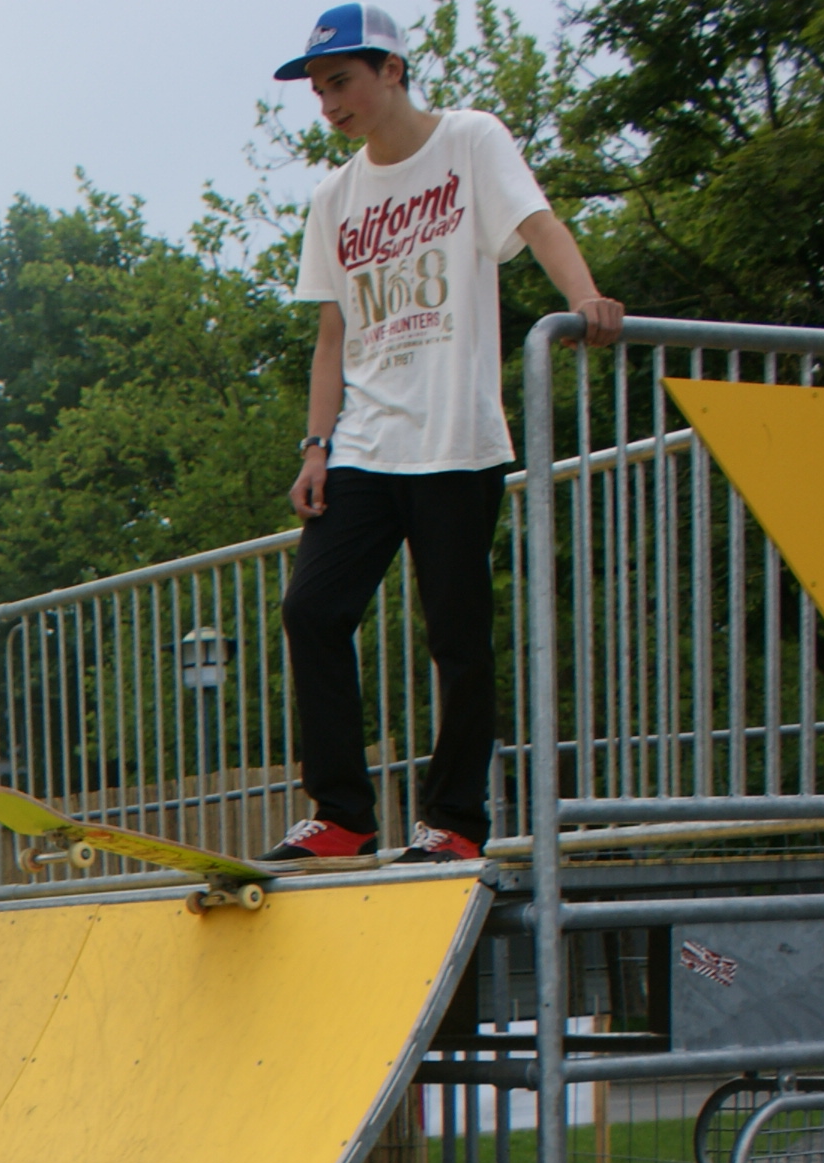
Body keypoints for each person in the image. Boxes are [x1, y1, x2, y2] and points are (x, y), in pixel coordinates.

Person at [266, 3, 624, 867]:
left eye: (341, 83)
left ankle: (455, 820)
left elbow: (536, 223)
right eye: (318, 92)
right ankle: (342, 815)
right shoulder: (334, 197)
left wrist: (584, 298)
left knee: (457, 637)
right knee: (312, 608)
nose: (330, 105)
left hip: (457, 438)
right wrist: (315, 447)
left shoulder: (469, 140)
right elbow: (331, 336)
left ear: (391, 70)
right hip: (365, 443)